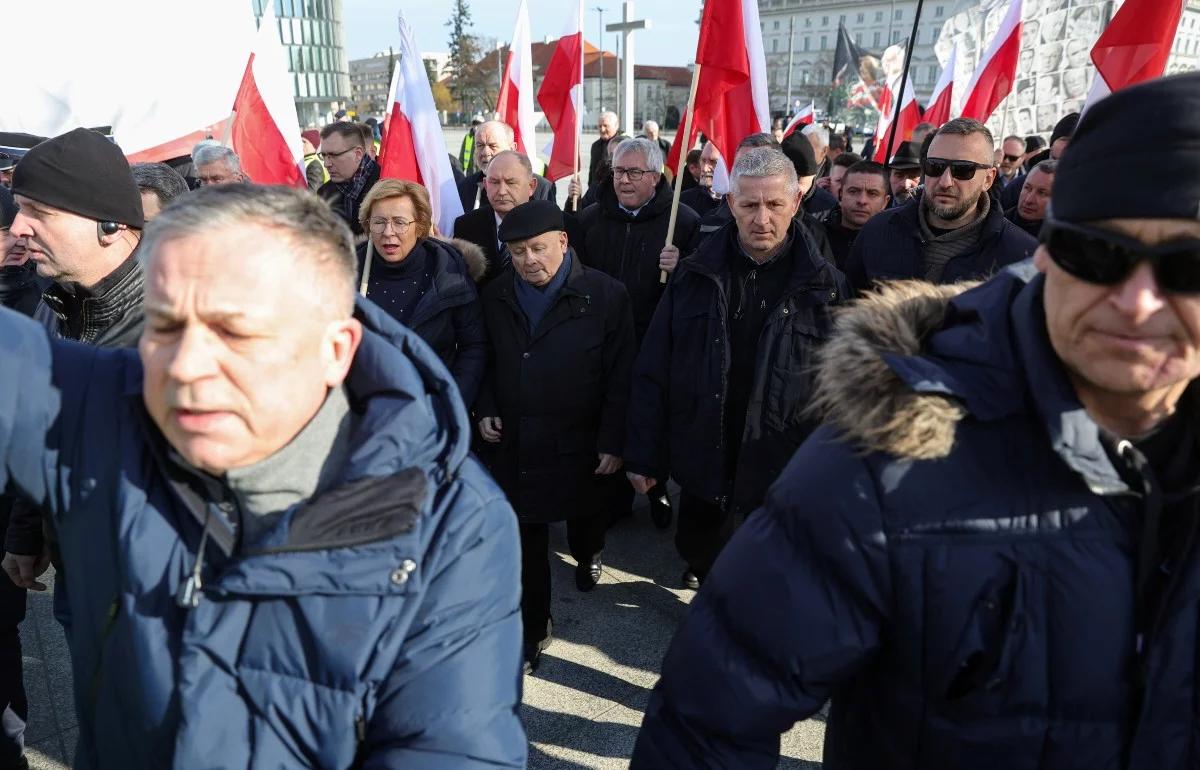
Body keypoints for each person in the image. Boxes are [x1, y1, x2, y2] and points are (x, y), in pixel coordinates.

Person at [631, 69, 1200, 770]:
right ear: (1048, 251)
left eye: (1188, 267)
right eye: (1100, 254)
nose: (1138, 304)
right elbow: (706, 722)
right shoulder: (888, 453)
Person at [0, 183, 527, 769]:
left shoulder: (451, 525)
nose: (188, 367)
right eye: (166, 326)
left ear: (335, 350)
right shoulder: (110, 406)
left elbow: (450, 749)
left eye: (237, 333)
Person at [625, 147, 850, 591]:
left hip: (781, 466)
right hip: (705, 453)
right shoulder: (693, 276)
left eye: (774, 205)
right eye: (749, 205)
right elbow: (655, 366)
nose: (761, 218)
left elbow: (842, 392)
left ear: (796, 203)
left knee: (766, 579)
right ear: (730, 203)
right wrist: (644, 453)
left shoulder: (827, 287)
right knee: (702, 557)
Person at [0, 128, 147, 770]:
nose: (19, 226)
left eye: (41, 211)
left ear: (110, 225)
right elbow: (39, 430)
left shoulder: (179, 327)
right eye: (19, 208)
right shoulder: (55, 308)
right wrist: (27, 534)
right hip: (79, 576)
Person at [475, 200, 635, 673]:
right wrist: (485, 406)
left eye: (538, 249)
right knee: (526, 537)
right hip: (518, 438)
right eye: (519, 252)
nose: (529, 261)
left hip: (579, 439)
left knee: (585, 517)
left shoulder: (606, 295)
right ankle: (533, 628)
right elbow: (483, 356)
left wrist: (613, 439)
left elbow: (620, 374)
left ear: (563, 242)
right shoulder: (497, 293)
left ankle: (589, 554)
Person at [577, 136, 700, 530]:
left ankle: (656, 485)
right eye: (617, 171)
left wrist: (682, 265)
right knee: (609, 418)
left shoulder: (683, 221)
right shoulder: (590, 218)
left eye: (633, 172)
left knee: (651, 417)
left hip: (655, 339)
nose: (623, 180)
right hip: (602, 340)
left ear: (655, 176)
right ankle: (612, 499)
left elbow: (701, 288)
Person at [846, 119, 1037, 293]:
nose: (945, 181)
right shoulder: (878, 231)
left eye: (962, 170)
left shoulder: (1021, 255)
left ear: (988, 179)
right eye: (935, 167)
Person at [356, 179, 487, 409]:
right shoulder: (347, 271)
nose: (388, 232)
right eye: (379, 222)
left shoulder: (450, 273)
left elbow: (473, 347)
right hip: (365, 414)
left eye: (399, 222)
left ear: (420, 226)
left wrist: (450, 405)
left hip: (432, 409)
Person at [454, 150, 541, 284]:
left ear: (531, 186)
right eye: (494, 182)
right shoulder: (465, 226)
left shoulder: (553, 225)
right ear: (485, 184)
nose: (501, 191)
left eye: (511, 183)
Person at [456, 121, 555, 212]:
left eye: (492, 146)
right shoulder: (465, 188)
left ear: (512, 148)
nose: (485, 152)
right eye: (480, 145)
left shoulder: (542, 188)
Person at [812, 160, 891, 270]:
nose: (862, 200)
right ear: (840, 195)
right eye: (853, 191)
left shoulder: (894, 244)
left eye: (872, 193)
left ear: (885, 202)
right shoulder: (813, 238)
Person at [1002, 112, 1079, 210]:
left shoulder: (1086, 188)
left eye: (1076, 141)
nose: (1068, 146)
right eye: (1064, 140)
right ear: (1052, 143)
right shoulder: (1019, 185)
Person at [317, 121, 380, 237]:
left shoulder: (387, 185)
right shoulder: (324, 194)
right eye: (324, 156)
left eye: (334, 155)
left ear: (358, 154)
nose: (326, 164)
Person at [1006, 159, 1055, 238]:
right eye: (1027, 188)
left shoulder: (1062, 244)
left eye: (1042, 193)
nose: (1028, 200)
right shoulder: (994, 224)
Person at [678, 142, 721, 218]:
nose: (704, 169)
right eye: (703, 161)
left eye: (713, 162)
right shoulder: (683, 201)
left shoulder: (740, 202)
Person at [886, 140, 922, 207]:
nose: (905, 184)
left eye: (912, 176)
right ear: (890, 176)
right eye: (899, 175)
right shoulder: (877, 209)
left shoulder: (932, 215)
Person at [589, 111, 621, 183]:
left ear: (616, 126)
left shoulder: (622, 145)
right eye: (600, 126)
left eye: (606, 126)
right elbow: (592, 172)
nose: (602, 129)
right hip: (596, 190)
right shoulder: (595, 146)